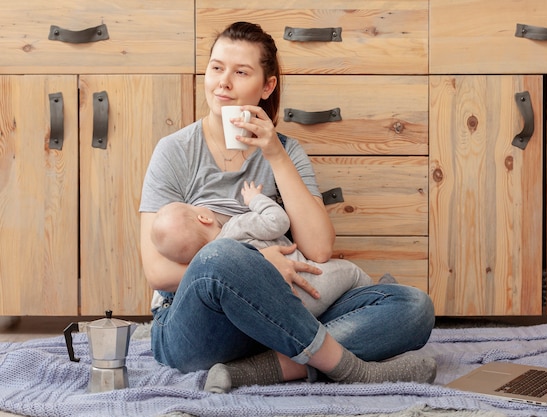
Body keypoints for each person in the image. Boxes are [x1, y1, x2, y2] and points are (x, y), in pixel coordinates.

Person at [139, 21, 436, 393]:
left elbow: (319, 249)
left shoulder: (285, 152)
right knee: (221, 255)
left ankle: (258, 370)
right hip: (197, 326)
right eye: (216, 68)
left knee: (413, 307)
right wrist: (256, 270)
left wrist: (276, 155)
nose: (222, 82)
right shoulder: (175, 151)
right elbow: (157, 270)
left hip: (279, 315)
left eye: (240, 72)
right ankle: (348, 367)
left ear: (267, 86)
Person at [151, 180, 375, 317]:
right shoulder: (237, 227)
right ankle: (378, 296)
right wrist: (255, 200)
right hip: (309, 288)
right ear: (204, 217)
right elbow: (279, 222)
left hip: (278, 310)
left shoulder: (208, 266)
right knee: (351, 272)